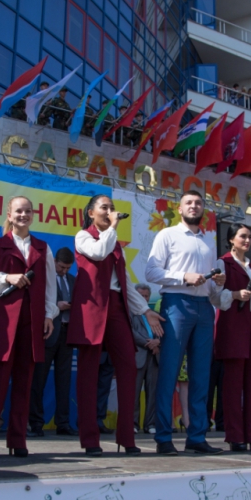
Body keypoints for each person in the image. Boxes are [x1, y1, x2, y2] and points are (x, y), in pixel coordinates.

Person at [68, 194, 164, 457]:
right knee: (88, 374)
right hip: (91, 308)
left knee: (128, 367)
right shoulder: (83, 236)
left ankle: (126, 436)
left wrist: (145, 311)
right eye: (104, 207)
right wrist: (112, 227)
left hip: (116, 306)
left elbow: (125, 284)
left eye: (112, 208)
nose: (110, 211)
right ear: (91, 213)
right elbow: (98, 253)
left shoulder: (116, 244)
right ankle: (90, 439)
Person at [146, 190, 225, 456]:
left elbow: (211, 288)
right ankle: (163, 437)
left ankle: (197, 436)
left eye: (198, 203)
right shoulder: (167, 235)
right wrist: (183, 277)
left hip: (204, 308)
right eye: (188, 203)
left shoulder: (209, 242)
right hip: (177, 304)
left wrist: (218, 283)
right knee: (169, 372)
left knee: (201, 376)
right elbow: (151, 271)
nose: (194, 206)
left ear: (204, 209)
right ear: (179, 209)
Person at [0, 196, 58, 458]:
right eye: (19, 211)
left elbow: (49, 287)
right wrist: (7, 277)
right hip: (4, 322)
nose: (23, 215)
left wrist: (49, 315)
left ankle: (18, 439)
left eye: (28, 211)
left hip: (32, 321)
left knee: (25, 383)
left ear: (33, 215)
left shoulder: (44, 248)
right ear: (9, 215)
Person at [212, 224, 251, 452]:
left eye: (249, 237)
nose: (247, 240)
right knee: (233, 385)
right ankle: (235, 435)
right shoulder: (223, 263)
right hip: (233, 325)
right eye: (242, 236)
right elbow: (215, 297)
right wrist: (235, 294)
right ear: (231, 239)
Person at [28, 247, 78, 437]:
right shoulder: (45, 278)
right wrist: (56, 306)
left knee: (64, 382)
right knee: (38, 380)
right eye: (62, 267)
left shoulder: (73, 280)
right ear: (55, 261)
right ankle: (36, 423)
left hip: (67, 334)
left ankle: (63, 423)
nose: (64, 271)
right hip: (47, 333)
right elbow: (36, 300)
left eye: (68, 268)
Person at [133, 283, 160, 434]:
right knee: (134, 392)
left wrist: (157, 342)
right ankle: (133, 424)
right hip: (138, 355)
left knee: (153, 392)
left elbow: (163, 332)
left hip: (154, 357)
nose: (144, 298)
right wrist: (149, 344)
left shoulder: (154, 313)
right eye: (140, 296)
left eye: (146, 296)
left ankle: (150, 424)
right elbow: (132, 333)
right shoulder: (130, 313)